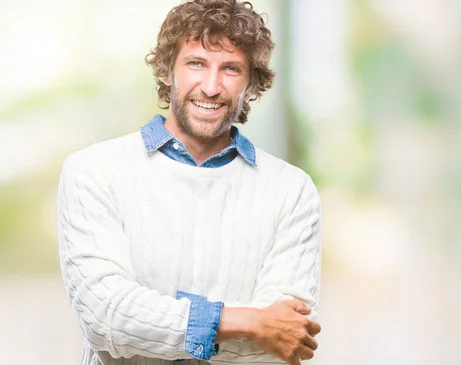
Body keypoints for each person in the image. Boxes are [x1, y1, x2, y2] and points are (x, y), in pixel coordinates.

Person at [56, 1, 322, 364]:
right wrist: (249, 321)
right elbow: (106, 318)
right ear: (168, 71)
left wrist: (152, 322)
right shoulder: (93, 171)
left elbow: (281, 341)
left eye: (231, 68)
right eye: (196, 63)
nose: (211, 87)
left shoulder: (292, 191)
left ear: (251, 84)